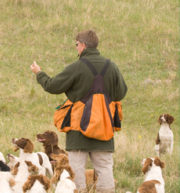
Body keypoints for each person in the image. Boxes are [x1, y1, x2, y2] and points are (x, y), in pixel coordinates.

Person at [30, 30, 127, 193]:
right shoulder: (112, 66)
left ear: (82, 45)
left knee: (76, 172)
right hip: (104, 129)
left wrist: (39, 73)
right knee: (104, 169)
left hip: (77, 130)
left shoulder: (77, 67)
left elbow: (53, 86)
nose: (76, 48)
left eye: (76, 45)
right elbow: (121, 93)